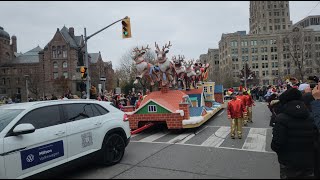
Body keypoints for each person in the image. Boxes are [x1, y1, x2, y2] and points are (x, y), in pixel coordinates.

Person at [271, 88, 317, 179]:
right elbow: (315, 138)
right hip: (308, 161)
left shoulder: (281, 118)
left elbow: (276, 143)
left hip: (288, 161)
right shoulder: (310, 116)